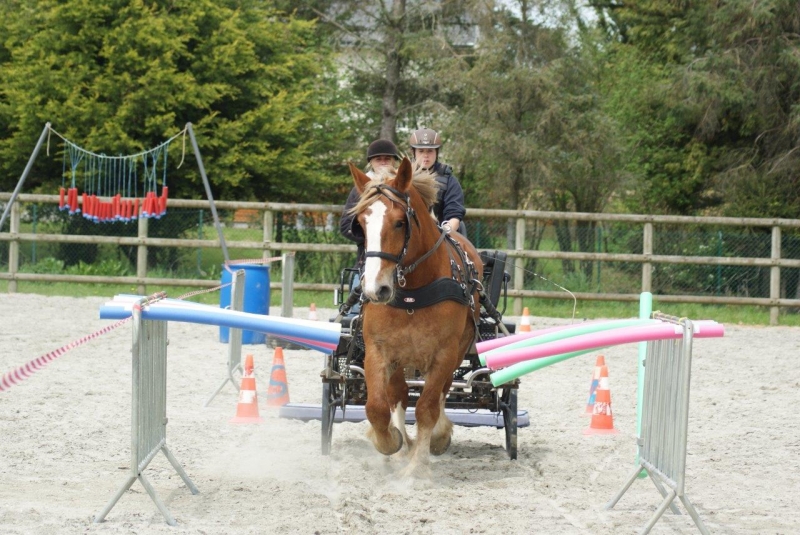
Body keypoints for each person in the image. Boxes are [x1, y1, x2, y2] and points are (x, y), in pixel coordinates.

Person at [339, 139, 401, 262]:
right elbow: (346, 225)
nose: (383, 162)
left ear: (394, 161)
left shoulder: (402, 186)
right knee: (356, 281)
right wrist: (375, 238)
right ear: (371, 162)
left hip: (400, 257)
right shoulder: (360, 188)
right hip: (368, 257)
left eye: (387, 159)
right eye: (378, 159)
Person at [407, 128, 466, 234]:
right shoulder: (403, 177)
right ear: (413, 152)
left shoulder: (449, 180)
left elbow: (454, 214)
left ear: (436, 152)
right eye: (421, 151)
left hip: (440, 233)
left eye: (430, 151)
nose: (425, 155)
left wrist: (445, 232)